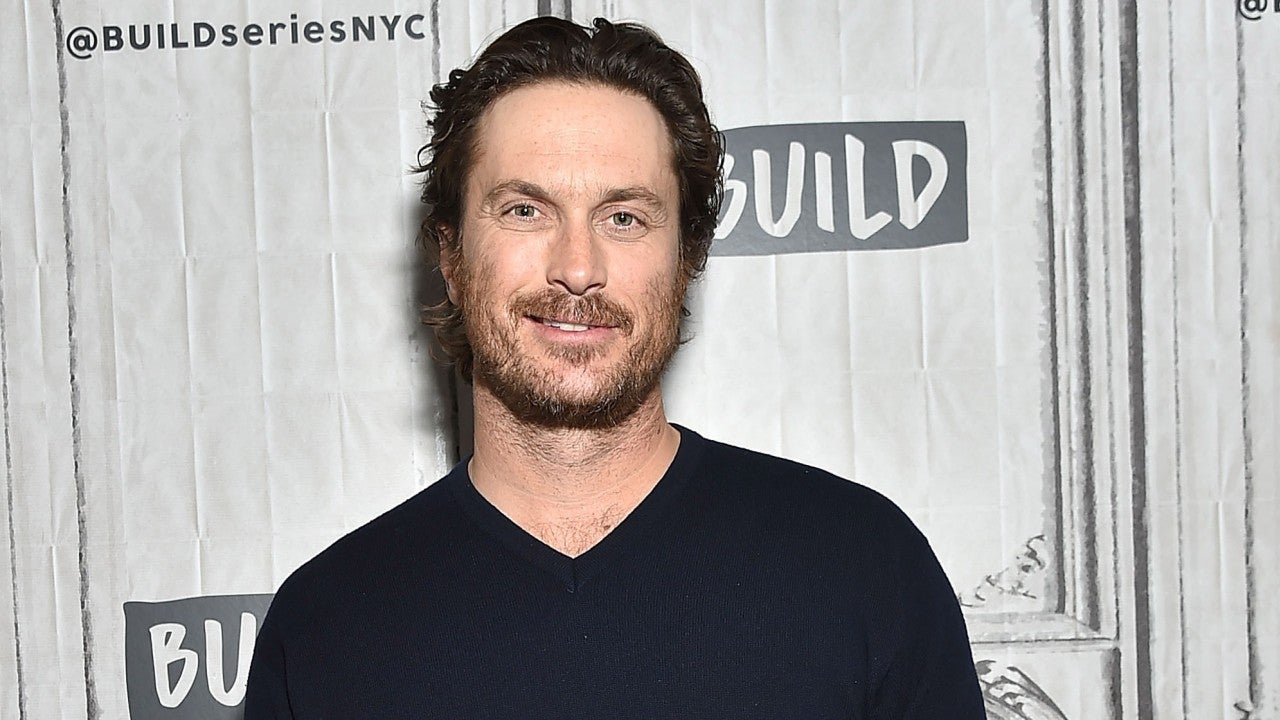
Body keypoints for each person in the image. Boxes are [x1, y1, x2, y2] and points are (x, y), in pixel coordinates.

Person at [244, 15, 985, 719]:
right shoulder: (324, 627)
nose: (577, 268)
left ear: (688, 257)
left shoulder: (865, 569)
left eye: (623, 217)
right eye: (525, 211)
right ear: (450, 255)